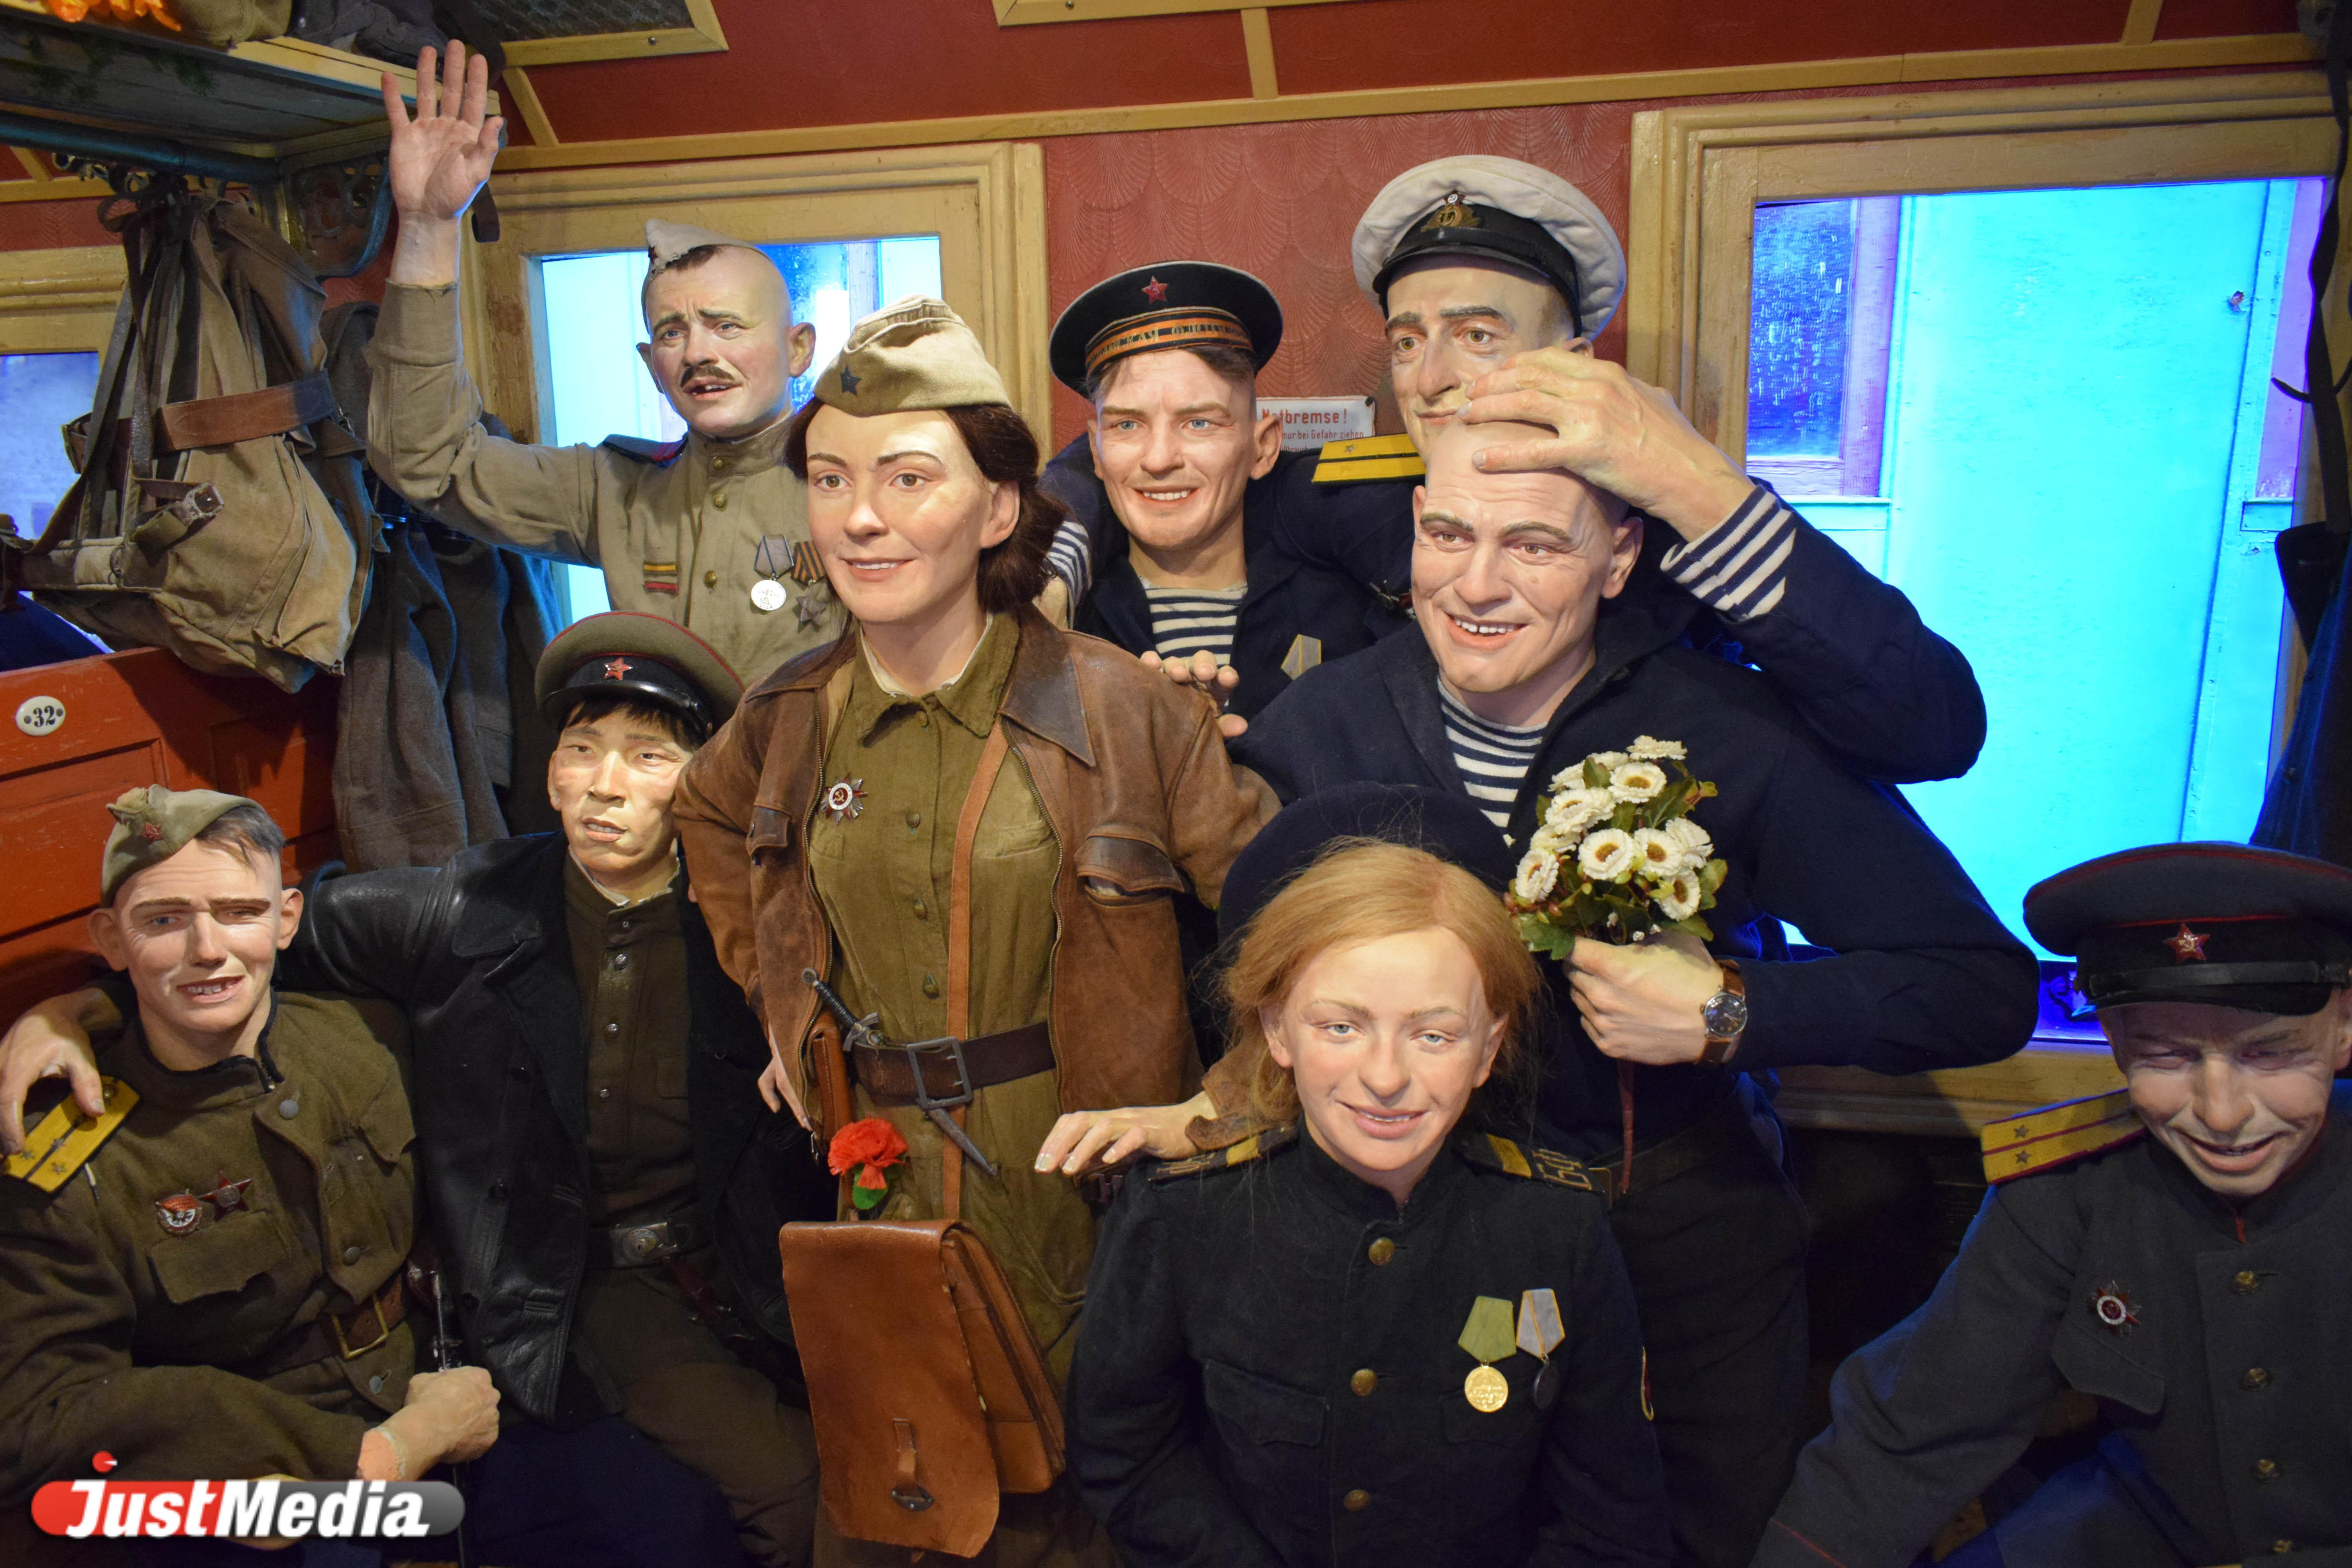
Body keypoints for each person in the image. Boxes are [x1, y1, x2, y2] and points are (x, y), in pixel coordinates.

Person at [1043, 417, 2040, 1568]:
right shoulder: (1318, 730)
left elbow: (1976, 986)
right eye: (1447, 534)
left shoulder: (1726, 729)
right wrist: (1214, 1107)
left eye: (1533, 545)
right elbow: (1265, 984)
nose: (1476, 584)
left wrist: (1729, 1011)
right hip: (1416, 1243)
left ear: (1618, 559)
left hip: (1675, 1242)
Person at [0, 615, 824, 1568]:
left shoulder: (753, 915)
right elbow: (230, 953)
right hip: (562, 1287)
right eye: (580, 748)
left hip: (742, 1255)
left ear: (705, 777)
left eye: (648, 755)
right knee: (766, 1493)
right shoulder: (457, 910)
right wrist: (73, 1011)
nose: (604, 784)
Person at [670, 294, 1277, 1565]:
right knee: (896, 1504)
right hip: (873, 1205)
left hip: (1078, 1210)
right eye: (830, 479)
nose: (861, 516)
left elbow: (1308, 929)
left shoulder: (1125, 713)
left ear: (999, 508)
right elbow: (709, 821)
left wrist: (1223, 1106)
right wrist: (783, 1004)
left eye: (907, 477)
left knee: (1079, 1513)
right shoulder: (788, 716)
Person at [1054, 155, 1984, 783]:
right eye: (1408, 340)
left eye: (1477, 335)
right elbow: (1146, 458)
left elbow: (1929, 731)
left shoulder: (1680, 520)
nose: (1430, 378)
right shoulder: (1348, 496)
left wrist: (1699, 485)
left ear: (1574, 360)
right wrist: (1050, 566)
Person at [1069, 788, 1670, 1568]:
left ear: (1489, 1048)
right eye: (1342, 1026)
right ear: (1278, 1029)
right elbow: (1126, 1455)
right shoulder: (1186, 1214)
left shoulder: (1558, 1229)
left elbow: (1613, 1523)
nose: (1385, 1077)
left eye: (1433, 1035)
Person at [1752, 841, 2352, 1568]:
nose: (2221, 1115)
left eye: (2270, 1053)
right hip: (2154, 1526)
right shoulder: (2071, 1188)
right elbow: (1916, 1432)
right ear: (2116, 1041)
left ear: (2345, 1027)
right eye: (2168, 1056)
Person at [0, 787, 500, 1564]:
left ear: (286, 918)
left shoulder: (371, 1035)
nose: (208, 948)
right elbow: (41, 1413)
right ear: (111, 938)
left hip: (456, 1391)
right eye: (164, 921)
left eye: (239, 912)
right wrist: (381, 1455)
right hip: (258, 1489)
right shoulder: (68, 1159)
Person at [366, 43, 838, 683]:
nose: (698, 352)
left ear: (799, 348)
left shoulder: (860, 484)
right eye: (672, 333)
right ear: (650, 364)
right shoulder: (615, 490)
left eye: (727, 326)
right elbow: (428, 461)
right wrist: (428, 228)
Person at [1037, 261, 1410, 720]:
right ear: (1095, 451)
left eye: (1199, 423)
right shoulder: (1058, 617)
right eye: (1127, 425)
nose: (1159, 459)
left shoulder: (1347, 617)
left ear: (1263, 448)